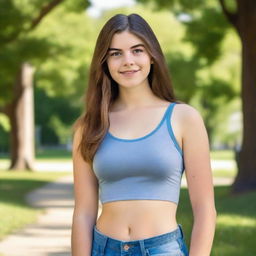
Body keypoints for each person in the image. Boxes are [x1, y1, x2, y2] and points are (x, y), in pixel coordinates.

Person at [71, 13, 216, 256]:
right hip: (104, 249)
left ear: (152, 56)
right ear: (104, 62)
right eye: (115, 53)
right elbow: (83, 213)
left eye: (137, 50)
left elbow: (205, 209)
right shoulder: (89, 125)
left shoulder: (184, 118)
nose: (127, 61)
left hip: (162, 249)